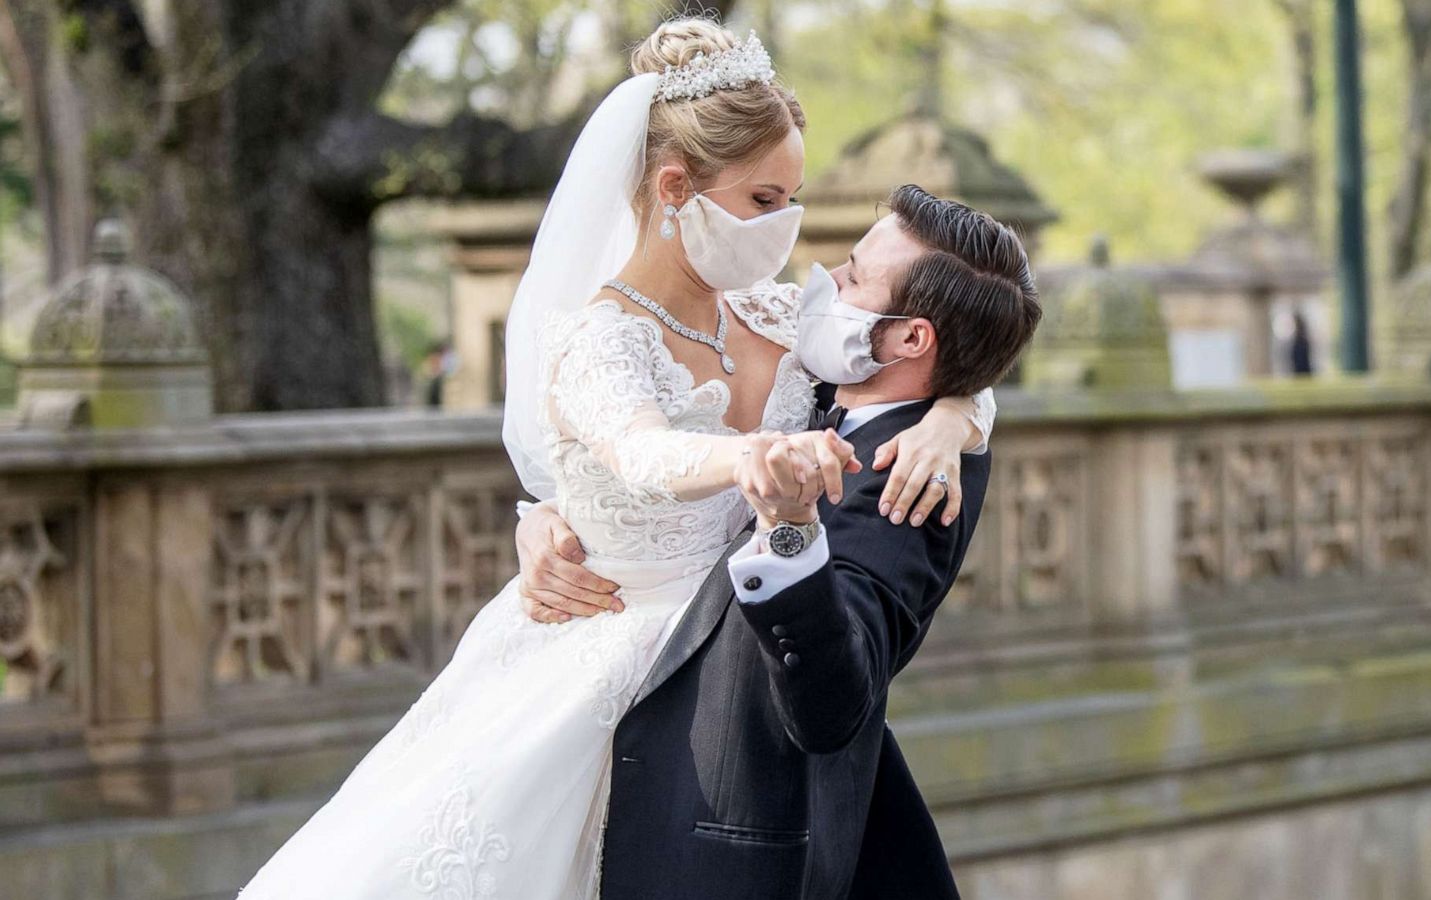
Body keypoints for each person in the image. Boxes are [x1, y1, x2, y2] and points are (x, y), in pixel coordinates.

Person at [236, 19, 999, 900]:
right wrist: (742, 458)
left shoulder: (782, 318)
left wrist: (957, 413)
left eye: (793, 198)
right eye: (763, 201)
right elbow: (642, 450)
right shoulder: (597, 340)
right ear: (676, 187)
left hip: (750, 715)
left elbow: (925, 350)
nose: (789, 228)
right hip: (593, 674)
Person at [519, 185, 1040, 897]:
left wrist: (793, 533)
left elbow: (832, 704)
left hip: (739, 840)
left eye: (855, 276)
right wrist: (552, 514)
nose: (826, 281)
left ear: (911, 338)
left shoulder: (908, 488)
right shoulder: (846, 387)